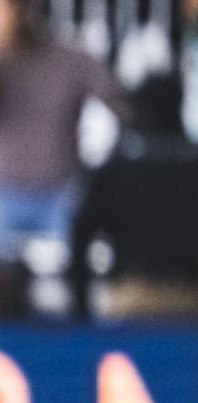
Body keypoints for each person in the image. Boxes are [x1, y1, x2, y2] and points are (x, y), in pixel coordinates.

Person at [0, 0, 123, 252]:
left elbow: (122, 103)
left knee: (78, 258)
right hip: (1, 194)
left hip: (61, 194)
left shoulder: (70, 58)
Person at [69, 73, 198, 321]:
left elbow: (80, 236)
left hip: (133, 297)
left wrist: (80, 311)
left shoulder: (114, 173)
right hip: (190, 296)